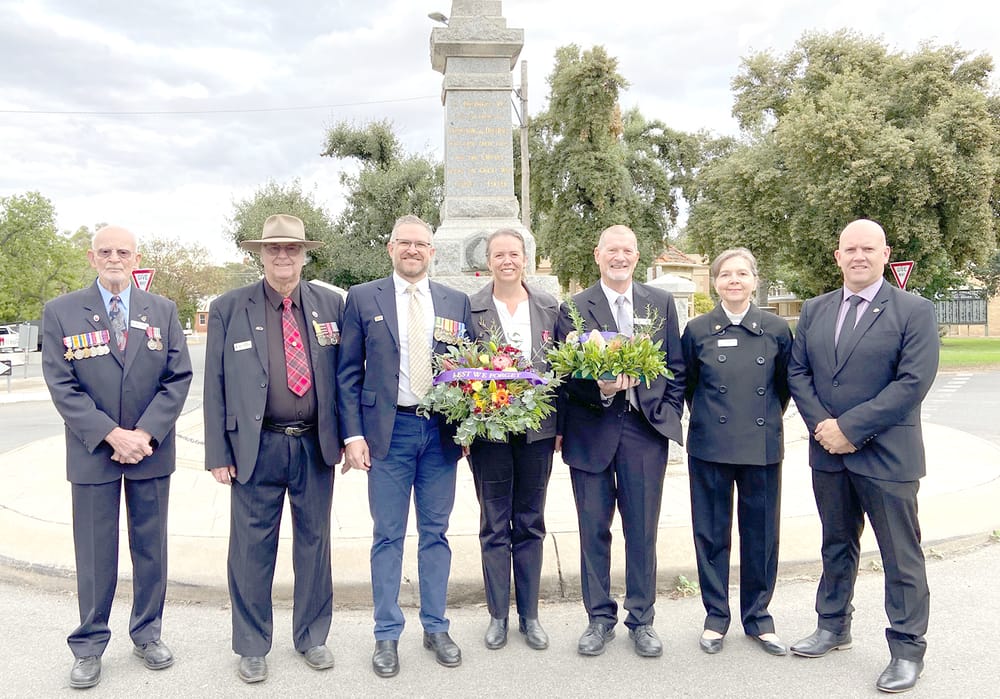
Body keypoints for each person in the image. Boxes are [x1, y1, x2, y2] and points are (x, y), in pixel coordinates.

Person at [787, 218, 938, 694]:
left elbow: (912, 383)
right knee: (836, 545)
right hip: (828, 453)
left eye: (868, 249)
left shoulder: (914, 311)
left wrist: (850, 429)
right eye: (849, 249)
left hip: (887, 457)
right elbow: (798, 373)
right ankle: (833, 626)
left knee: (900, 555)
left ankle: (907, 649)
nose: (858, 256)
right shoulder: (814, 310)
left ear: (885, 254)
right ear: (837, 256)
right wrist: (825, 430)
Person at [41, 225, 193, 689]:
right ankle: (88, 644)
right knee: (94, 553)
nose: (114, 258)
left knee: (150, 548)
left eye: (122, 251)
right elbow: (60, 383)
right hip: (93, 453)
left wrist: (143, 433)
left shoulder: (162, 311)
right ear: (92, 258)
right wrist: (111, 434)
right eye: (105, 251)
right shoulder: (61, 312)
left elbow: (178, 376)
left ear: (136, 258)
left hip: (149, 450)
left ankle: (147, 634)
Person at [203, 214, 344, 684]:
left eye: (292, 248)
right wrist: (217, 452)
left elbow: (344, 378)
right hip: (255, 447)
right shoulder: (229, 307)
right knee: (250, 549)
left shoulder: (330, 305)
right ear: (259, 254)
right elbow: (214, 385)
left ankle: (311, 637)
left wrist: (348, 436)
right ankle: (251, 644)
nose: (283, 256)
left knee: (315, 544)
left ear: (306, 253)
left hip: (313, 447)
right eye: (273, 249)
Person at [338, 214, 474, 678]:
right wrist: (353, 436)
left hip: (439, 434)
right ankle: (386, 633)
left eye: (421, 244)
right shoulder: (362, 298)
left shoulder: (456, 301)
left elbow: (472, 371)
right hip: (387, 434)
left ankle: (436, 626)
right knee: (388, 534)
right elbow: (347, 374)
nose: (413, 250)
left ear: (432, 252)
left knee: (436, 533)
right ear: (391, 248)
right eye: (405, 243)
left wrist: (471, 428)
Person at [554, 224, 685, 658]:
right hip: (592, 431)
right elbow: (564, 377)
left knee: (642, 531)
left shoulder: (660, 302)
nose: (620, 257)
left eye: (627, 250)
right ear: (598, 254)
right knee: (594, 530)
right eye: (612, 249)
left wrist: (666, 413)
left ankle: (642, 619)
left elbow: (676, 369)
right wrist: (602, 389)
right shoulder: (572, 309)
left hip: (645, 433)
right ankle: (598, 618)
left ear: (636, 255)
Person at [680, 248, 793, 657]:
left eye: (742, 274)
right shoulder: (696, 330)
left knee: (761, 536)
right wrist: (712, 418)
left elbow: (783, 387)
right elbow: (690, 385)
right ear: (714, 282)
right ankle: (715, 617)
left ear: (754, 280)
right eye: (725, 274)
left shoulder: (777, 328)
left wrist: (761, 417)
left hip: (761, 446)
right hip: (711, 444)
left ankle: (759, 618)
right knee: (711, 534)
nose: (734, 280)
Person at [467, 228, 559, 651]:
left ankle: (530, 615)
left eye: (514, 254)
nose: (507, 260)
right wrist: (463, 430)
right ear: (489, 262)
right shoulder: (470, 309)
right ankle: (498, 616)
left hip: (538, 432)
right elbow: (457, 370)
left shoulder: (548, 306)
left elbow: (561, 370)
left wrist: (560, 426)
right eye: (499, 254)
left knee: (530, 523)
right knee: (494, 524)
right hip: (490, 433)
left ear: (526, 259)